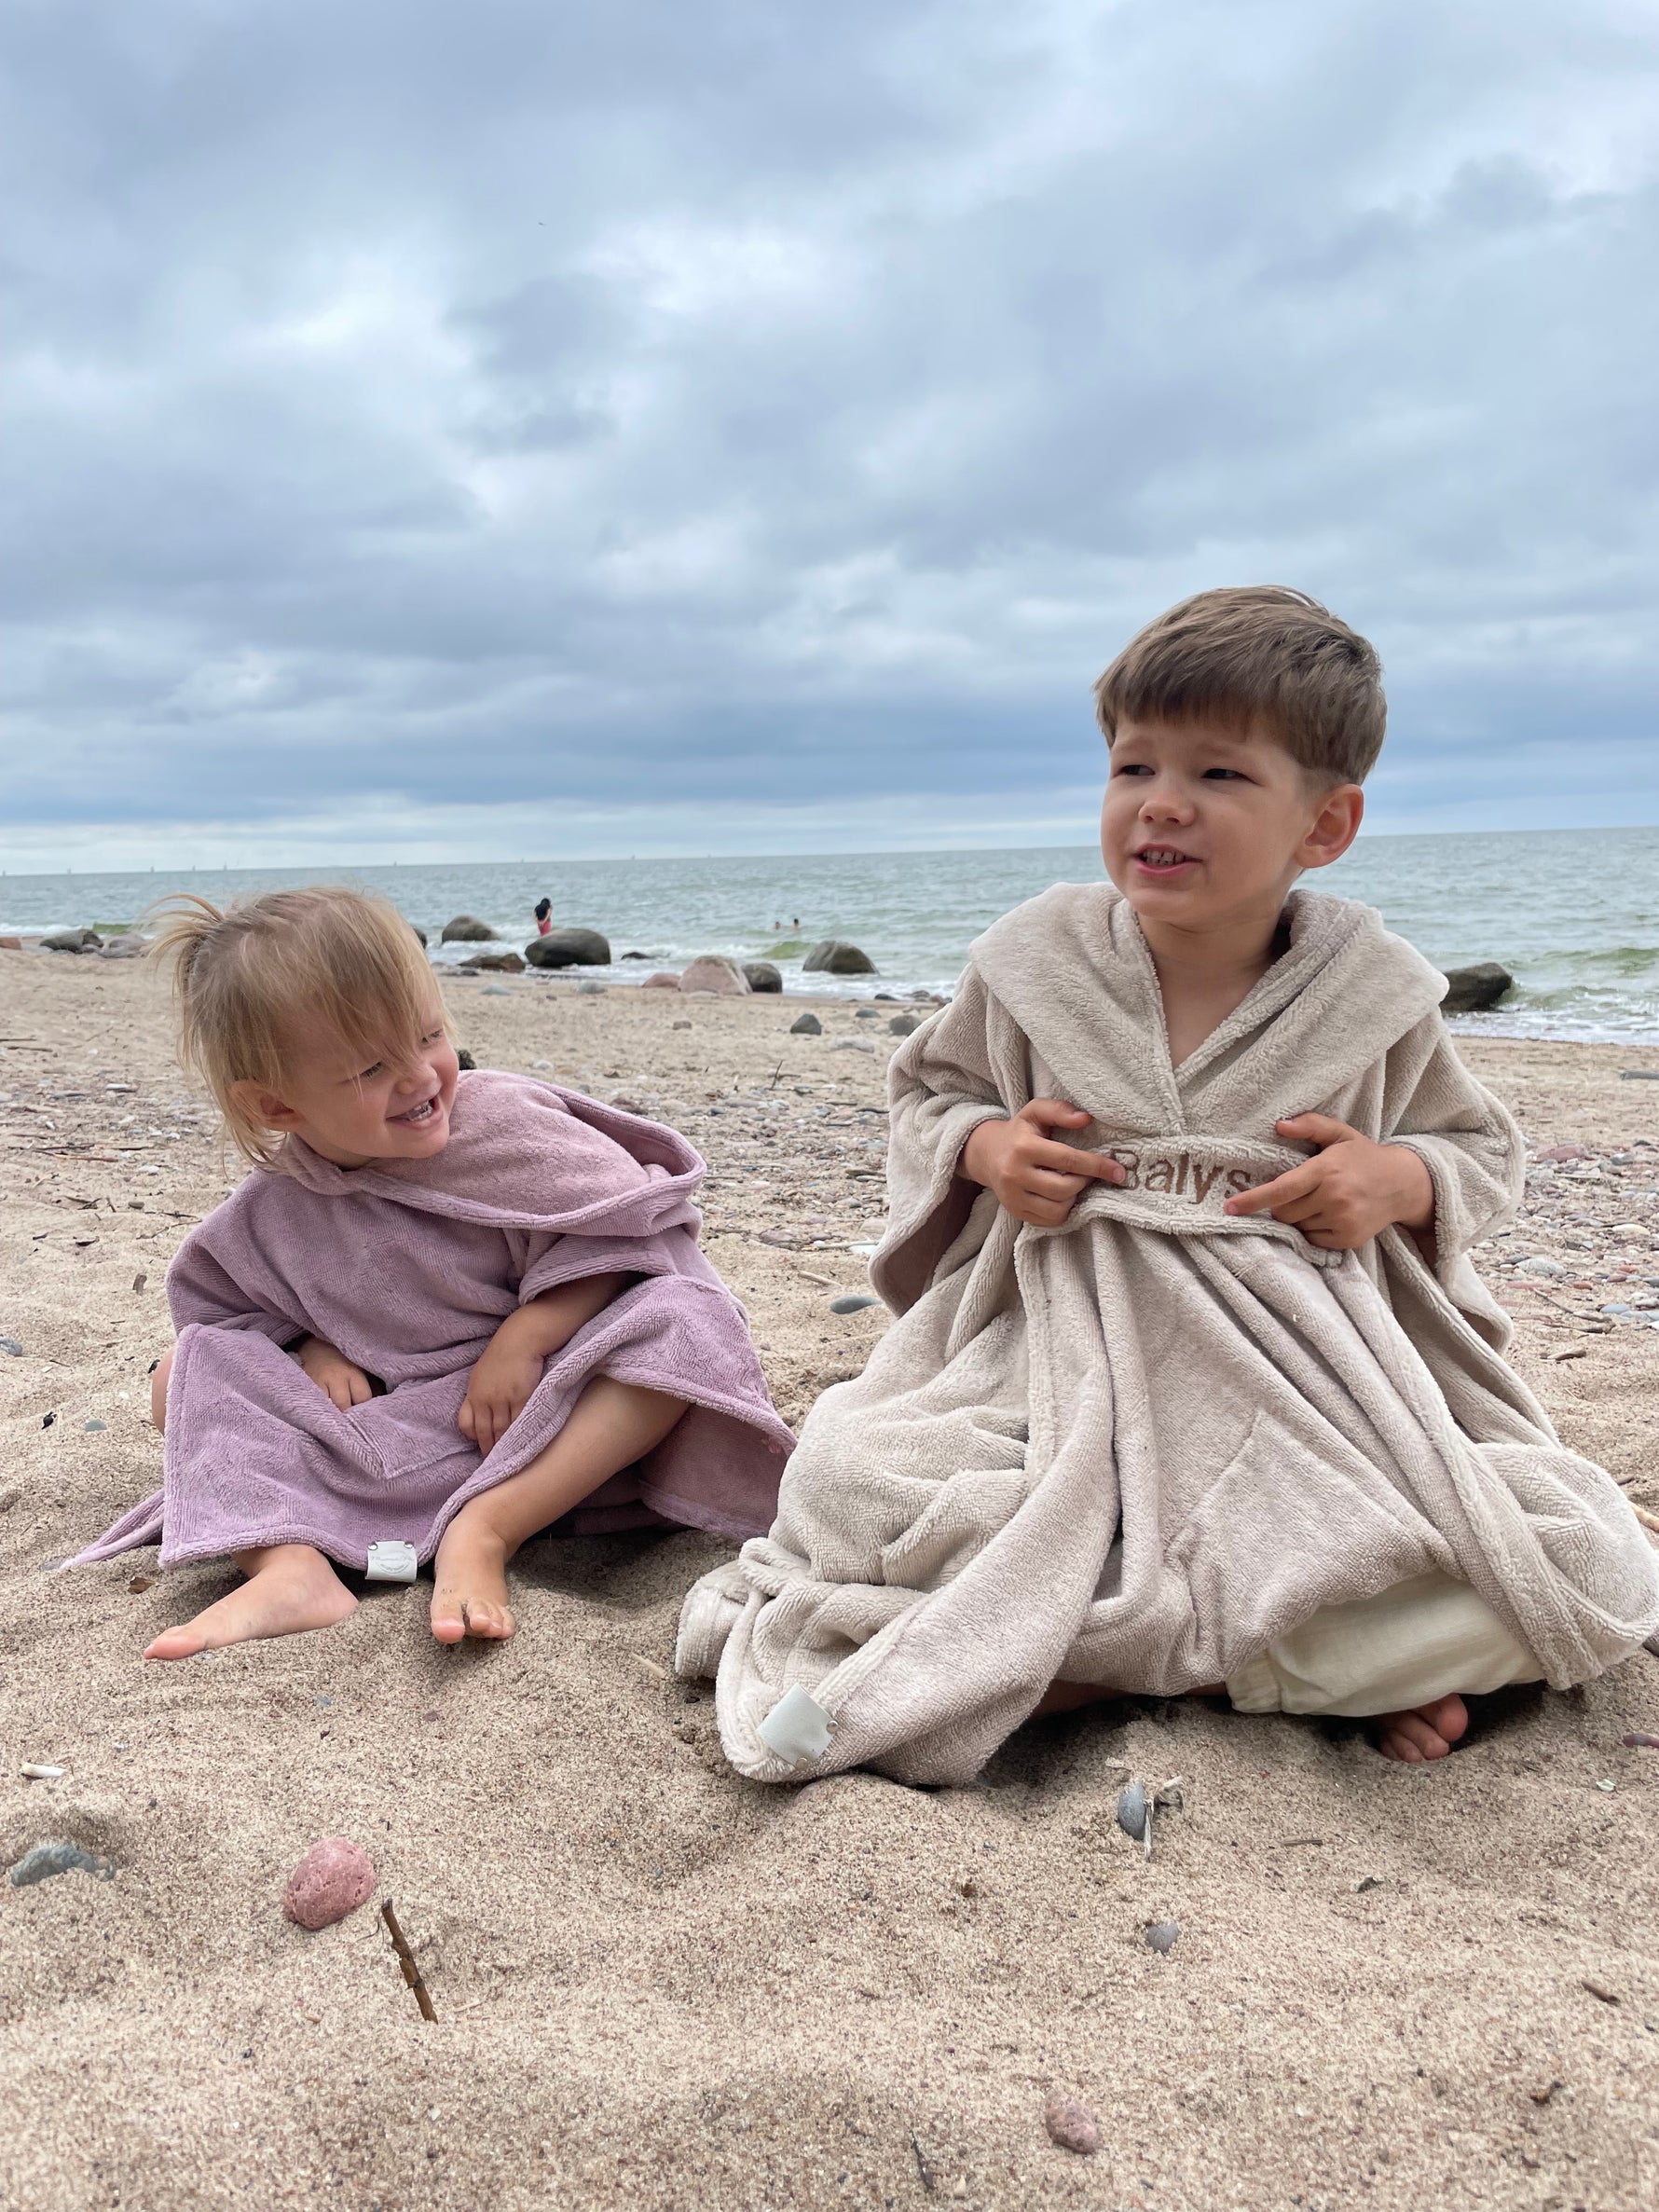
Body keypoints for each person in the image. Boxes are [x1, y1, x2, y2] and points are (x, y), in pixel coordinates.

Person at [678, 586, 1659, 1781]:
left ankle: (1087, 1669)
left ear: (1325, 824)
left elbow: (1478, 1148)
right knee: (850, 1487)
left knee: (1583, 1559)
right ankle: (1279, 1670)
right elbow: (929, 1094)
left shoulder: (1373, 996)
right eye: (1132, 766)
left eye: (1219, 774)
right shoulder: (1031, 966)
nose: (1160, 802)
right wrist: (987, 1151)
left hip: (1302, 1374)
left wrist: (1394, 1178)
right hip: (1051, 1345)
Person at [71, 886, 792, 1657]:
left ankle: (487, 1528)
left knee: (688, 1320)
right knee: (183, 1372)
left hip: (551, 1418)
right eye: (373, 1066)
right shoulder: (275, 1208)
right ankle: (290, 1564)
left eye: (430, 1035)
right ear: (278, 1106)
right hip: (402, 1434)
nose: (420, 1077)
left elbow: (630, 1239)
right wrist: (312, 1349)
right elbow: (227, 1311)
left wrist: (529, 1333)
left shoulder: (506, 1127)